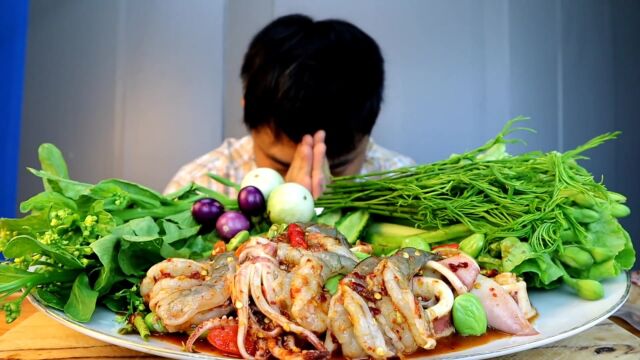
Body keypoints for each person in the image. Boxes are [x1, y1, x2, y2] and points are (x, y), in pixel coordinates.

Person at [165, 14, 414, 198]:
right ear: (245, 106)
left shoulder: (406, 186)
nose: (308, 187)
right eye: (281, 166)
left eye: (335, 169)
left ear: (372, 121)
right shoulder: (199, 187)